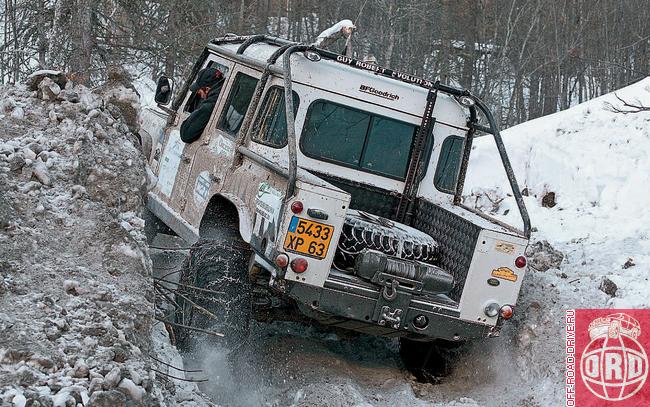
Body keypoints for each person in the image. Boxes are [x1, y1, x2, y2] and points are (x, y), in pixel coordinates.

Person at [180, 67, 225, 143]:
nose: (201, 96)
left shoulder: (209, 105)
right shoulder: (224, 95)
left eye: (199, 92)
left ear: (207, 89)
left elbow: (185, 135)